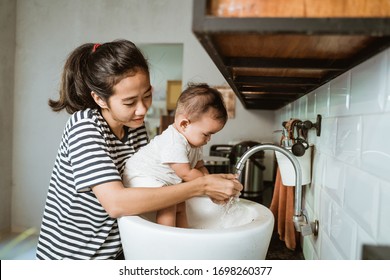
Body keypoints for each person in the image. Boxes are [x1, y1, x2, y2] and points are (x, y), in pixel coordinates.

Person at [35, 39, 242, 260]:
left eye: (147, 95)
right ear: (100, 99)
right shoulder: (85, 126)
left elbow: (152, 181)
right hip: (74, 258)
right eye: (129, 102)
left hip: (117, 250)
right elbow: (115, 203)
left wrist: (209, 187)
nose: (142, 109)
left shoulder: (134, 127)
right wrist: (202, 186)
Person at [123, 83, 228, 228]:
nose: (208, 139)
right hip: (139, 175)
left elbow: (200, 167)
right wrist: (210, 184)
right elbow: (186, 174)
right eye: (206, 134)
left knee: (180, 202)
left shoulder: (195, 143)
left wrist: (209, 182)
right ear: (185, 124)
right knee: (169, 203)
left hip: (161, 180)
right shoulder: (173, 141)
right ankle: (167, 237)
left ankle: (185, 233)